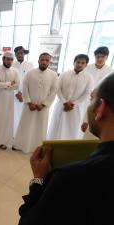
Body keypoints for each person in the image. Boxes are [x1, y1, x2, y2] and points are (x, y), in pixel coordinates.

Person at [18, 73, 114, 225]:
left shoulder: (71, 177)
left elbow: (29, 221)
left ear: (100, 108)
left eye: (91, 99)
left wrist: (38, 179)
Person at [13, 53, 58, 154]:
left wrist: (44, 104)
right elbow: (25, 87)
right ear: (38, 60)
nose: (44, 62)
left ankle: (37, 148)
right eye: (42, 59)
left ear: (49, 62)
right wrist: (29, 102)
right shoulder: (30, 73)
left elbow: (54, 91)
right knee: (25, 125)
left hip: (43, 107)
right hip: (29, 105)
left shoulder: (53, 75)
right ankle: (20, 145)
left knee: (40, 127)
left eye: (47, 60)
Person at [47, 54, 94, 140]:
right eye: (78, 62)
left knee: (72, 128)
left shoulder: (89, 78)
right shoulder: (64, 74)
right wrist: (64, 102)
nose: (79, 64)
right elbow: (58, 88)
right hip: (61, 105)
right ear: (74, 63)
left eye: (82, 63)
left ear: (86, 65)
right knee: (57, 125)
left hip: (76, 108)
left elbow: (87, 93)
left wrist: (73, 103)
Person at [82, 46, 114, 139]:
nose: (99, 59)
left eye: (102, 57)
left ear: (107, 57)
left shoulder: (110, 72)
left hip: (101, 104)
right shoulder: (87, 68)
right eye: (97, 57)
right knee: (83, 130)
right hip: (85, 100)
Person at [0, 52, 19, 150]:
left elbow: (17, 85)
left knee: (6, 120)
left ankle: (2, 141)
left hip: (9, 100)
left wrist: (4, 85)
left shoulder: (15, 71)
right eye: (7, 59)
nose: (9, 61)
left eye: (11, 60)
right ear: (3, 59)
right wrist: (10, 83)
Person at [12, 46, 34, 136]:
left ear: (24, 53)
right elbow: (11, 80)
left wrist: (24, 93)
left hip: (26, 95)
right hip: (14, 95)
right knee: (14, 115)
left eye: (21, 53)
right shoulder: (12, 65)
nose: (20, 55)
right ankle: (14, 134)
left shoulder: (30, 65)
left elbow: (31, 80)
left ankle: (23, 134)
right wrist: (17, 93)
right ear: (15, 55)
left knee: (24, 115)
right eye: (18, 53)